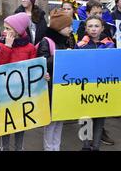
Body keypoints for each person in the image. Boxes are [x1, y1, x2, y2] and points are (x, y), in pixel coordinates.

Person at [0, 12, 36, 151]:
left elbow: (33, 68)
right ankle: (4, 147)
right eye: (4, 28)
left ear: (18, 30)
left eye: (8, 29)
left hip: (21, 92)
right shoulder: (0, 44)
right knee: (5, 121)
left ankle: (19, 147)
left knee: (20, 121)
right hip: (3, 91)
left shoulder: (29, 47)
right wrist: (7, 47)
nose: (4, 31)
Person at [76, 15, 115, 151]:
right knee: (85, 118)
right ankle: (86, 146)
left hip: (102, 88)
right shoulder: (80, 45)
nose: (93, 29)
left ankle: (96, 146)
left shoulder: (110, 45)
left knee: (99, 118)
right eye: (90, 26)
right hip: (85, 88)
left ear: (102, 28)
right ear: (86, 28)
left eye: (96, 26)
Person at [36, 9, 73, 151]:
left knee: (60, 120)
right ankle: (48, 147)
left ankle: (56, 146)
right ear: (59, 27)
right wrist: (62, 56)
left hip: (63, 85)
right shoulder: (46, 41)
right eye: (68, 26)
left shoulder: (67, 40)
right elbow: (42, 62)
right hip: (51, 87)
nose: (70, 29)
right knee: (51, 121)